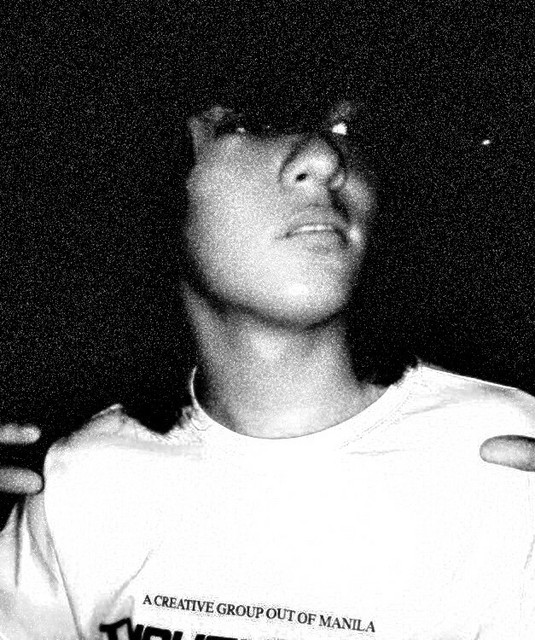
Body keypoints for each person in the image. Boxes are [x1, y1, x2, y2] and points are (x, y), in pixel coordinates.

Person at [1, 95, 535, 640]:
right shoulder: (82, 478)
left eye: (346, 129)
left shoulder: (507, 463)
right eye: (248, 124)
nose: (325, 159)